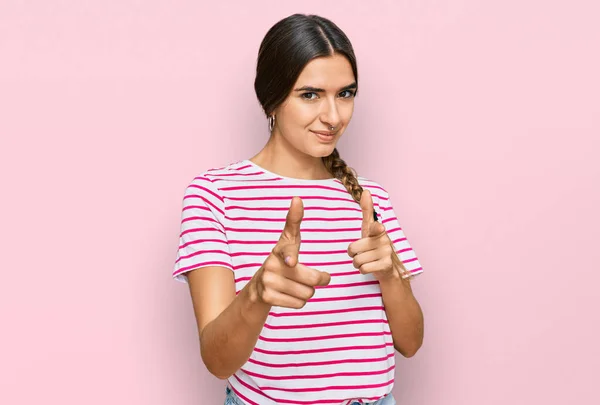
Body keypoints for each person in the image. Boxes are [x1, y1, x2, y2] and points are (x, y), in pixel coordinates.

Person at [172, 13, 425, 405]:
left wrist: (390, 274)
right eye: (310, 94)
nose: (334, 117)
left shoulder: (369, 199)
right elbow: (217, 360)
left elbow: (410, 343)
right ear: (271, 97)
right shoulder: (214, 194)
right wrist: (256, 293)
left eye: (345, 93)